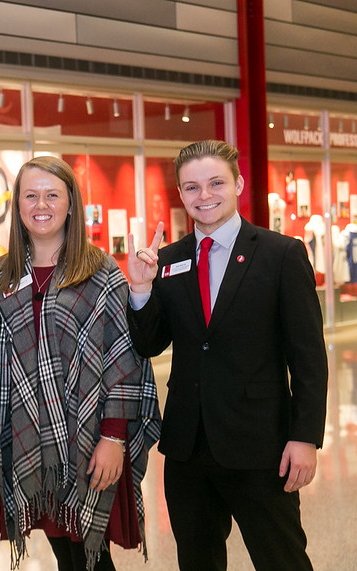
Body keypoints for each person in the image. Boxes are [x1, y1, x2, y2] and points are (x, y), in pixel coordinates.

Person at [127, 140, 328, 570]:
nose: (205, 196)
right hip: (187, 448)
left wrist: (305, 437)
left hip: (262, 446)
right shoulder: (167, 259)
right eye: (192, 187)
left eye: (216, 182)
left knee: (282, 560)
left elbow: (308, 356)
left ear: (237, 183)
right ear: (181, 194)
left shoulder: (281, 254)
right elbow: (150, 344)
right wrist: (141, 290)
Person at [0, 156, 160, 570]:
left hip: (90, 441)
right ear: (17, 207)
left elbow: (123, 357)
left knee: (91, 556)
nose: (41, 204)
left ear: (72, 203)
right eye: (30, 195)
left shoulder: (101, 271)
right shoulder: (2, 273)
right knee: (68, 555)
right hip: (30, 441)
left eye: (53, 194)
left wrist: (114, 437)